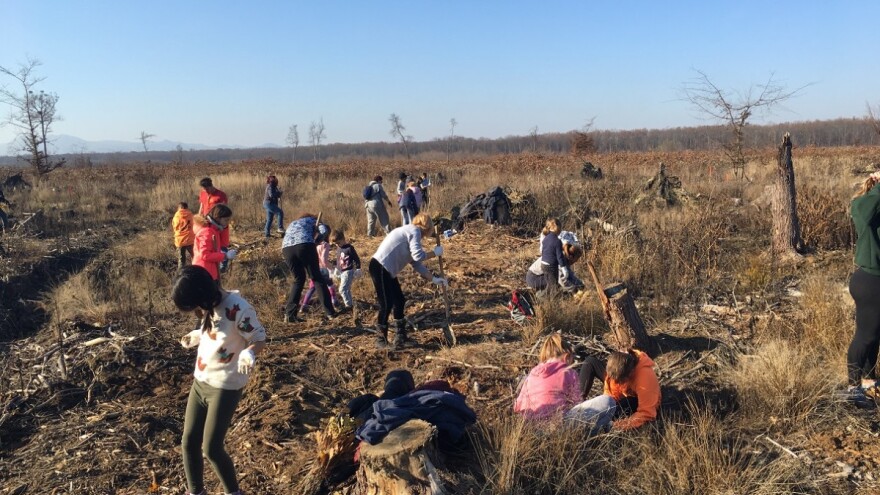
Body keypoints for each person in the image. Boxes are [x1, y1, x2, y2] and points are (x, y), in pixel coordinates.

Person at [173, 265, 266, 495]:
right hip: (200, 382)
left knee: (212, 448)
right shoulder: (209, 306)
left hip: (224, 386)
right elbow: (215, 329)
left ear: (202, 296)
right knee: (188, 442)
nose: (196, 311)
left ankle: (234, 493)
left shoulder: (239, 309)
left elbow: (259, 337)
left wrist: (250, 352)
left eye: (194, 306)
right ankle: (196, 492)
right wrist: (198, 336)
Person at [368, 212, 447, 349]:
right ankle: (381, 340)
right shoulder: (414, 231)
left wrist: (434, 279)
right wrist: (434, 253)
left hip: (387, 270)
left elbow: (417, 264)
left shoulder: (411, 233)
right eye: (431, 229)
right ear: (426, 227)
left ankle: (401, 337)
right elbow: (418, 256)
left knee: (399, 300)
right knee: (386, 304)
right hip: (380, 267)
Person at [565, 349, 661, 434]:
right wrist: (605, 406)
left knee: (625, 406)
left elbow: (648, 414)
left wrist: (615, 426)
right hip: (625, 389)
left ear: (631, 374)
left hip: (636, 400)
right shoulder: (618, 365)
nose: (616, 382)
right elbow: (611, 392)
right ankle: (575, 406)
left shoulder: (645, 379)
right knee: (590, 362)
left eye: (620, 381)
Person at [846, 171, 880, 404]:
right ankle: (852, 387)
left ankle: (869, 379)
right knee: (865, 335)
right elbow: (863, 211)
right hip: (869, 281)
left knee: (876, 333)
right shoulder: (863, 208)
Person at [281, 213, 337, 323]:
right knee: (317, 277)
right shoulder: (313, 220)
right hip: (305, 244)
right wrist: (317, 241)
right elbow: (324, 230)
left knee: (298, 279)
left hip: (286, 249)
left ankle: (289, 315)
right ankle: (330, 312)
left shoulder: (294, 223)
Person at [514, 333, 580, 420]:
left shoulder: (533, 372)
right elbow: (577, 404)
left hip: (530, 424)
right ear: (566, 357)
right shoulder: (569, 372)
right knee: (604, 401)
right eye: (572, 359)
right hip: (557, 424)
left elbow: (517, 406)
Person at [192, 204, 237, 285]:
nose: (228, 223)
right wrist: (225, 256)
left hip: (209, 271)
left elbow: (223, 244)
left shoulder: (214, 230)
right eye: (226, 220)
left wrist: (224, 227)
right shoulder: (207, 232)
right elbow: (205, 255)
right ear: (217, 218)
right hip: (204, 272)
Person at [531, 218, 570, 297]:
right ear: (558, 228)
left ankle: (541, 296)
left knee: (550, 284)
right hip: (551, 266)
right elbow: (559, 256)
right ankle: (543, 299)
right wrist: (564, 268)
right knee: (553, 287)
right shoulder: (557, 241)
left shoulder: (546, 238)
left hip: (544, 265)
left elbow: (542, 251)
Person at [300, 236, 339, 311]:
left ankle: (304, 305)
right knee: (330, 284)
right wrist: (330, 268)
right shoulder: (325, 245)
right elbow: (323, 259)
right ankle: (334, 302)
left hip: (315, 268)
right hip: (323, 268)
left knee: (312, 288)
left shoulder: (314, 244)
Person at [330, 229, 362, 311]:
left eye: (338, 243)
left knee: (342, 289)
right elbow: (338, 259)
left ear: (343, 239)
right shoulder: (338, 248)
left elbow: (356, 259)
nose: (337, 245)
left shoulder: (349, 248)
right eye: (336, 244)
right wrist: (337, 269)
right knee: (346, 289)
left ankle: (348, 306)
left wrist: (358, 268)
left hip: (348, 271)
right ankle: (350, 304)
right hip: (341, 271)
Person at [172, 202, 195, 270]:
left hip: (179, 241)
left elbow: (174, 228)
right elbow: (194, 226)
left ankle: (180, 273)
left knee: (181, 259)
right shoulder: (191, 215)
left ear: (179, 208)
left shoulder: (176, 216)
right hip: (190, 240)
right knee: (194, 256)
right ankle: (196, 270)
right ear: (186, 207)